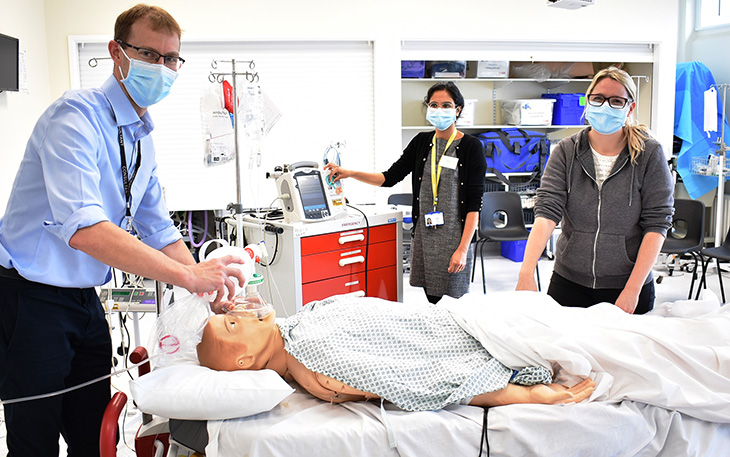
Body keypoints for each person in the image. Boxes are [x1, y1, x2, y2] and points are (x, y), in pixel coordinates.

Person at [0, 5, 246, 456]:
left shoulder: (140, 135)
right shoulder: (75, 117)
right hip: (28, 298)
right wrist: (190, 277)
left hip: (83, 298)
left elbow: (157, 226)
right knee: (33, 437)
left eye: (172, 59)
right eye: (150, 54)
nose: (164, 68)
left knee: (94, 433)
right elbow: (86, 229)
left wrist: (205, 286)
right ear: (117, 52)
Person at [197, 295, 595, 412]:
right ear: (246, 361)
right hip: (472, 341)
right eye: (232, 325)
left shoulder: (297, 326)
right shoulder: (317, 368)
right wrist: (526, 395)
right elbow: (422, 379)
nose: (238, 314)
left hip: (463, 318)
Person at [516, 67, 674, 315]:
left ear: (629, 108)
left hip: (628, 284)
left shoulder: (649, 154)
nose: (605, 106)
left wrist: (632, 290)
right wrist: (526, 272)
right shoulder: (567, 151)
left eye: (616, 101)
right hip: (569, 281)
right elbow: (547, 213)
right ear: (587, 102)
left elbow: (657, 224)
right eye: (598, 98)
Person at [325, 82, 486, 304]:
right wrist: (349, 173)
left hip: (454, 238)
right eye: (434, 104)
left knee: (453, 301)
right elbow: (388, 178)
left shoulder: (471, 146)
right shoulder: (421, 142)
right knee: (431, 298)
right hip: (425, 235)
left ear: (457, 109)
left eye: (446, 105)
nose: (439, 110)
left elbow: (474, 205)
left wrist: (463, 248)